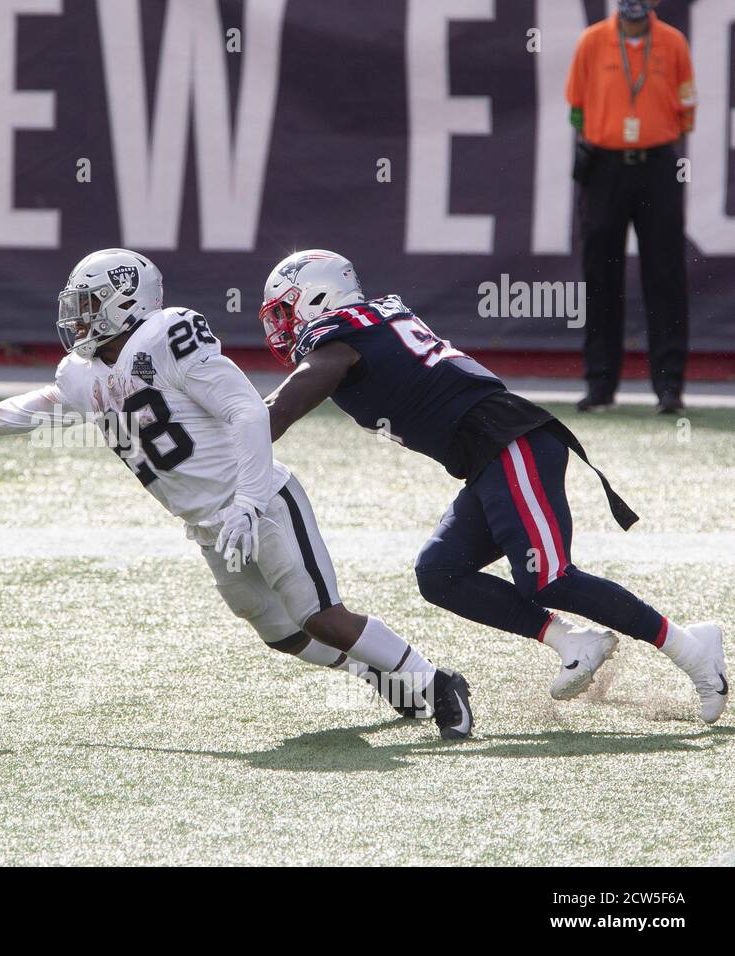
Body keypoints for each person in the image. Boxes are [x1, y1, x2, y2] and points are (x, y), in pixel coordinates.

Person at [0, 248, 475, 739]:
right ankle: (381, 674)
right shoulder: (79, 372)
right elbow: (45, 405)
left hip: (261, 500)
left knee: (321, 616)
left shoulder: (165, 336)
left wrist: (249, 502)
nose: (77, 316)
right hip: (206, 522)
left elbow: (245, 407)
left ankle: (437, 683)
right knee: (278, 631)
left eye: (90, 302)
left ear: (126, 300)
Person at [258, 249, 726, 724]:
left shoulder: (340, 336)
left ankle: (691, 648)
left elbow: (283, 406)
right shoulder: (368, 322)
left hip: (510, 441)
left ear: (320, 296)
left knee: (549, 577)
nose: (282, 325)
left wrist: (229, 438)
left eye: (285, 310)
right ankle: (572, 641)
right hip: (489, 456)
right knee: (440, 571)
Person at [566, 0, 695, 414]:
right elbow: (575, 107)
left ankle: (669, 387)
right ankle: (600, 384)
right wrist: (599, 138)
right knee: (600, 272)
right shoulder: (592, 41)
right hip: (604, 167)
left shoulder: (672, 43)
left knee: (665, 272)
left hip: (656, 165)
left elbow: (687, 112)